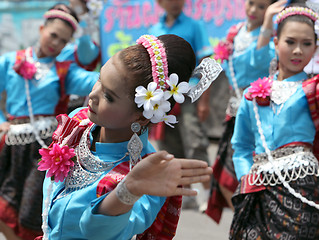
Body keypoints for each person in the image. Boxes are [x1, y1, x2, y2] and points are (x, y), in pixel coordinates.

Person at [35, 34, 215, 240]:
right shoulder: (79, 122)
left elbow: (95, 231)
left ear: (142, 115)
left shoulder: (148, 172)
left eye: (109, 96)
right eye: (98, 80)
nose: (92, 95)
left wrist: (127, 191)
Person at [230, 2, 319, 239]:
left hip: (300, 190)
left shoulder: (316, 90)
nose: (298, 51)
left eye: (306, 44)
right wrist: (246, 177)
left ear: (316, 48)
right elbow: (242, 147)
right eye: (290, 42)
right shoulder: (252, 96)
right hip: (258, 191)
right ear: (276, 43)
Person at [0, 5, 98, 240]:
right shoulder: (10, 61)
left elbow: (93, 75)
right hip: (11, 144)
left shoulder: (65, 71)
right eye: (53, 35)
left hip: (44, 150)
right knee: (4, 207)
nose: (56, 43)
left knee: (31, 212)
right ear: (41, 28)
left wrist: (122, 76)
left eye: (63, 41)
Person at [205, 0, 287, 224]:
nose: (253, 10)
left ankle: (253, 219)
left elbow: (258, 60)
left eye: (261, 7)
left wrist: (269, 23)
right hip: (235, 112)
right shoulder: (235, 32)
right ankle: (249, 218)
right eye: (251, 3)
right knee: (223, 177)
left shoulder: (276, 38)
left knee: (254, 173)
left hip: (260, 115)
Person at [149, 0, 214, 211]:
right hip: (164, 98)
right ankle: (185, 195)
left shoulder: (195, 26)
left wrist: (204, 100)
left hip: (189, 96)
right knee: (170, 147)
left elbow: (207, 64)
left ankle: (208, 193)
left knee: (195, 142)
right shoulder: (154, 30)